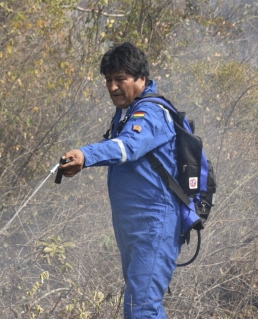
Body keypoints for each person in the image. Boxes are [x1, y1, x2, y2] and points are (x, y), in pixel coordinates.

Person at [59, 42, 181, 319]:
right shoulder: (126, 111)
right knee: (139, 304)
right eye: (108, 80)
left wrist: (85, 155)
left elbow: (128, 147)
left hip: (155, 222)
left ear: (142, 79)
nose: (112, 87)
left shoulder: (150, 113)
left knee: (142, 308)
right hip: (132, 222)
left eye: (120, 79)